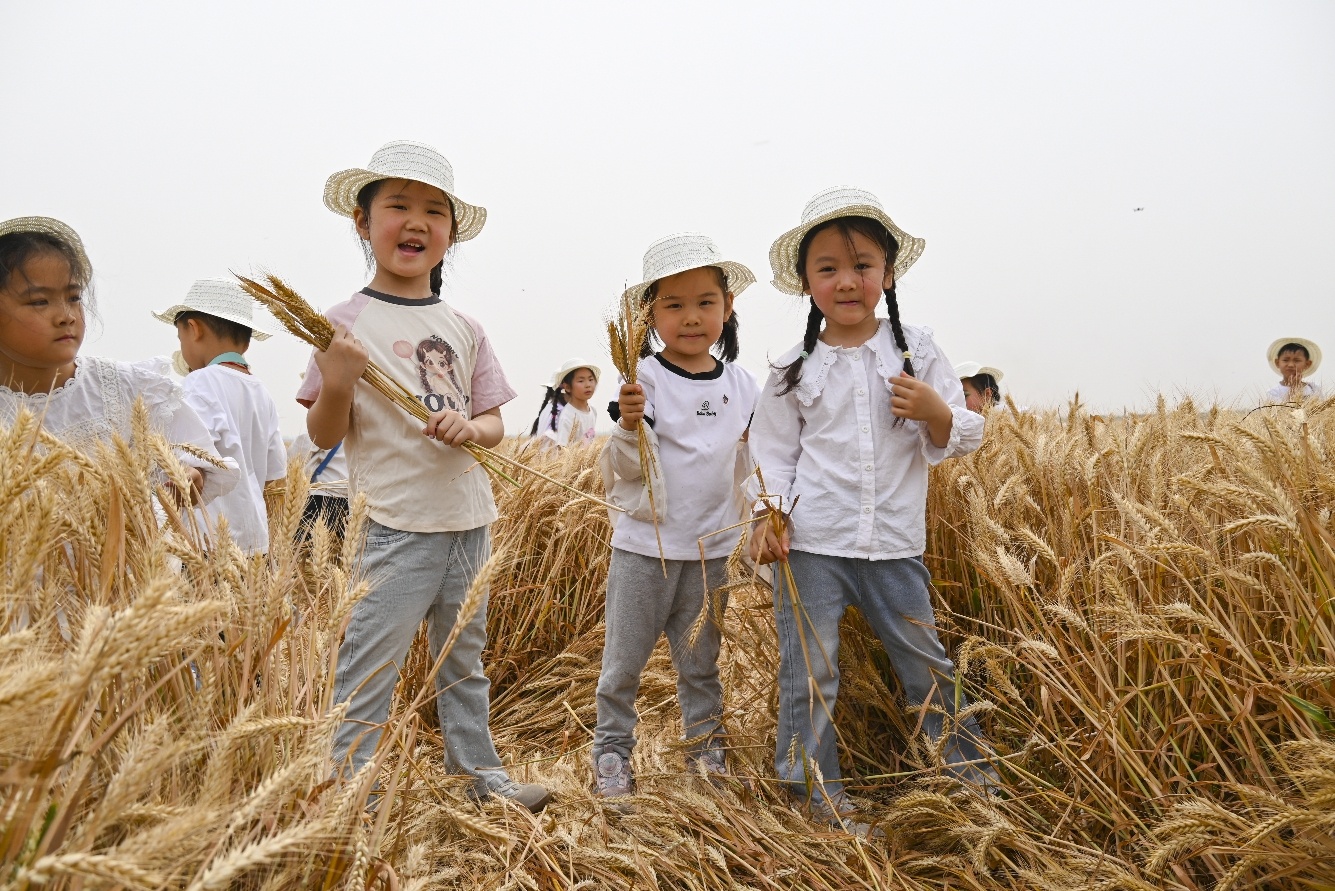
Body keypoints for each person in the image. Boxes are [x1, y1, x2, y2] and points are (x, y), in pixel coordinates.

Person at [294, 140, 550, 812]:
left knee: (463, 663)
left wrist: (472, 428)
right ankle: (352, 791)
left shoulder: (462, 326)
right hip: (393, 525)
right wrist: (340, 382)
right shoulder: (342, 325)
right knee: (369, 665)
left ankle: (482, 779)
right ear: (362, 222)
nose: (416, 222)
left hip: (469, 519)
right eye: (398, 206)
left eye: (433, 211)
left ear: (450, 233)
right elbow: (323, 434)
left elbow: (492, 423)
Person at [747, 187, 998, 829]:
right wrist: (769, 512)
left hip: (893, 545)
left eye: (863, 266)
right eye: (827, 267)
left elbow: (960, 433)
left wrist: (938, 411)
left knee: (927, 666)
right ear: (806, 282)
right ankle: (814, 796)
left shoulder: (914, 348)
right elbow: (774, 452)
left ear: (887, 274)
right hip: (812, 545)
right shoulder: (791, 367)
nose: (847, 280)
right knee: (810, 670)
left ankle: (971, 786)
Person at [593, 233, 760, 798]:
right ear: (649, 315)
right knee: (624, 662)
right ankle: (612, 753)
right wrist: (628, 424)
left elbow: (754, 462)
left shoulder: (742, 386)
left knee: (701, 663)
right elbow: (621, 469)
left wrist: (762, 518)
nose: (691, 317)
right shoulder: (644, 382)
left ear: (728, 307)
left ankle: (705, 748)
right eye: (674, 305)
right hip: (646, 549)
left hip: (711, 550)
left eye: (705, 303)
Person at [0, 216, 237, 505]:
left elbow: (194, 459)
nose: (66, 315)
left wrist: (189, 474)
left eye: (74, 297)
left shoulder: (127, 388)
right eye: (39, 301)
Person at [153, 280, 287, 555]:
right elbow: (275, 470)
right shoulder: (261, 390)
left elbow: (186, 461)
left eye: (180, 338)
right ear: (247, 343)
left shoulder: (199, 383)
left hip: (208, 540)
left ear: (194, 329)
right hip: (255, 537)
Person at [287, 431, 349, 541]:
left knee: (306, 545)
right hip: (355, 498)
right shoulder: (366, 429)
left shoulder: (329, 424)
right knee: (346, 546)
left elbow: (298, 452)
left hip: (322, 496)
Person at [530, 358, 600, 448]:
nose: (588, 385)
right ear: (566, 387)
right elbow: (561, 448)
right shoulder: (565, 414)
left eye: (590, 379)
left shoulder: (593, 411)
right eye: (581, 381)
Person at [1264, 338, 1322, 403]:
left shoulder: (1314, 388)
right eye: (1285, 360)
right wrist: (1294, 389)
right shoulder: (1273, 392)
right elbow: (1282, 411)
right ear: (1277, 363)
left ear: (1307, 364)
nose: (1291, 365)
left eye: (1297, 360)